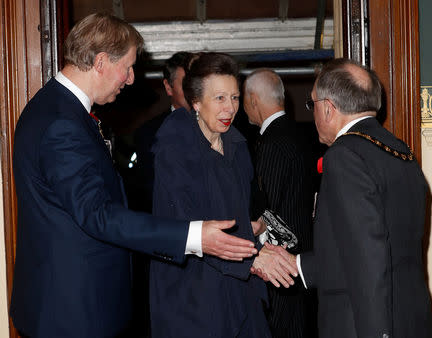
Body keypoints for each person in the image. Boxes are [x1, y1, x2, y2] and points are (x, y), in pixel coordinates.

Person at [10, 14, 259, 338]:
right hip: (72, 312)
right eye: (126, 67)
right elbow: (98, 214)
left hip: (68, 303)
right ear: (100, 62)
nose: (129, 79)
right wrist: (195, 237)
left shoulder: (57, 109)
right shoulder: (63, 123)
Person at [258, 58, 432, 338]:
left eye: (312, 104)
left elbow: (369, 259)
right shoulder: (399, 150)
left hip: (364, 324)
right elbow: (369, 250)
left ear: (328, 108)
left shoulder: (344, 156)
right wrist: (299, 265)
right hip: (410, 317)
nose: (313, 112)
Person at [149, 52, 297, 338]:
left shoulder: (237, 146)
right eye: (219, 98)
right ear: (195, 102)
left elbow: (240, 213)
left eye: (234, 98)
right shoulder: (174, 149)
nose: (229, 108)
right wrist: (251, 257)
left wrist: (256, 236)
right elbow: (187, 225)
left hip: (240, 294)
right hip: (194, 298)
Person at [243, 68, 317, 338]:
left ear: (252, 100)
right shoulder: (303, 135)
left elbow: (268, 211)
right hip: (305, 262)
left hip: (281, 268)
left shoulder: (272, 142)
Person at [134, 51, 193, 212]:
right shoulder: (148, 133)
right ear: (168, 87)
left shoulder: (221, 127)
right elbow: (148, 190)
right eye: (186, 85)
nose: (193, 91)